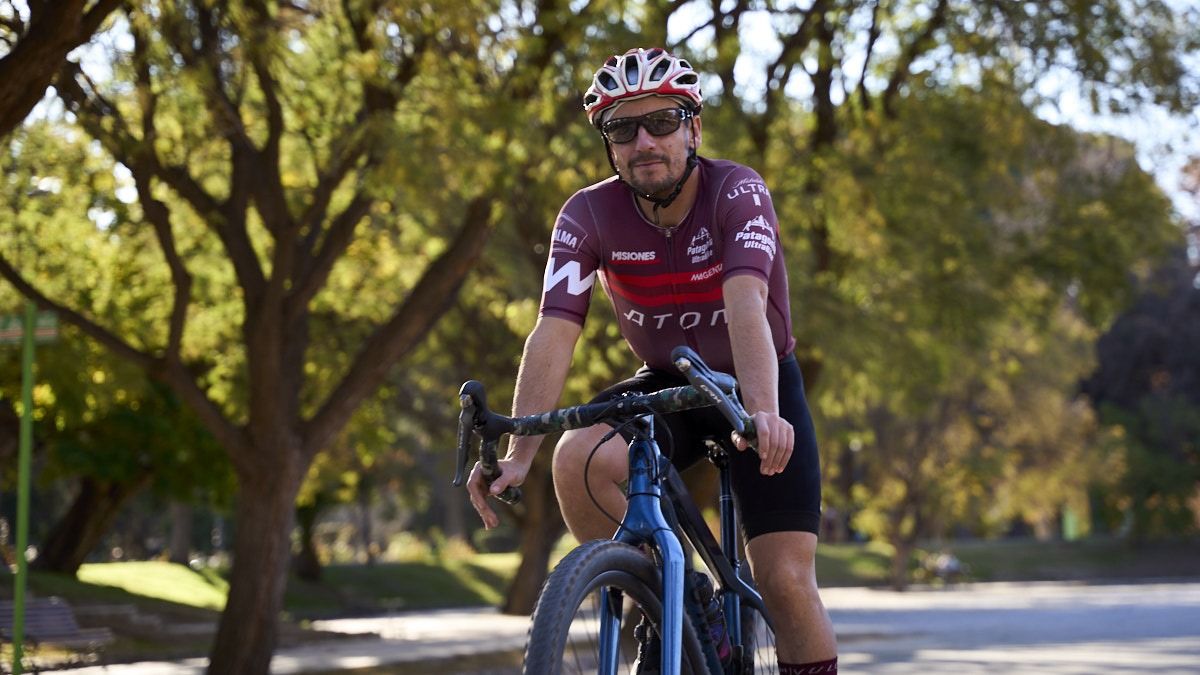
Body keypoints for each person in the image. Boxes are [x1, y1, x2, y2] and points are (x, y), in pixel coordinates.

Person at [466, 47, 838, 674]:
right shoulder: (587, 214)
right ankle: (678, 601)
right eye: (622, 127)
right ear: (609, 144)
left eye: (662, 121)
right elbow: (555, 329)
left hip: (758, 381)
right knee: (578, 458)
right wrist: (517, 454)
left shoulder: (736, 190)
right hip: (673, 384)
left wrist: (765, 413)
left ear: (693, 127)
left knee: (784, 578)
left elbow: (746, 303)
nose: (644, 141)